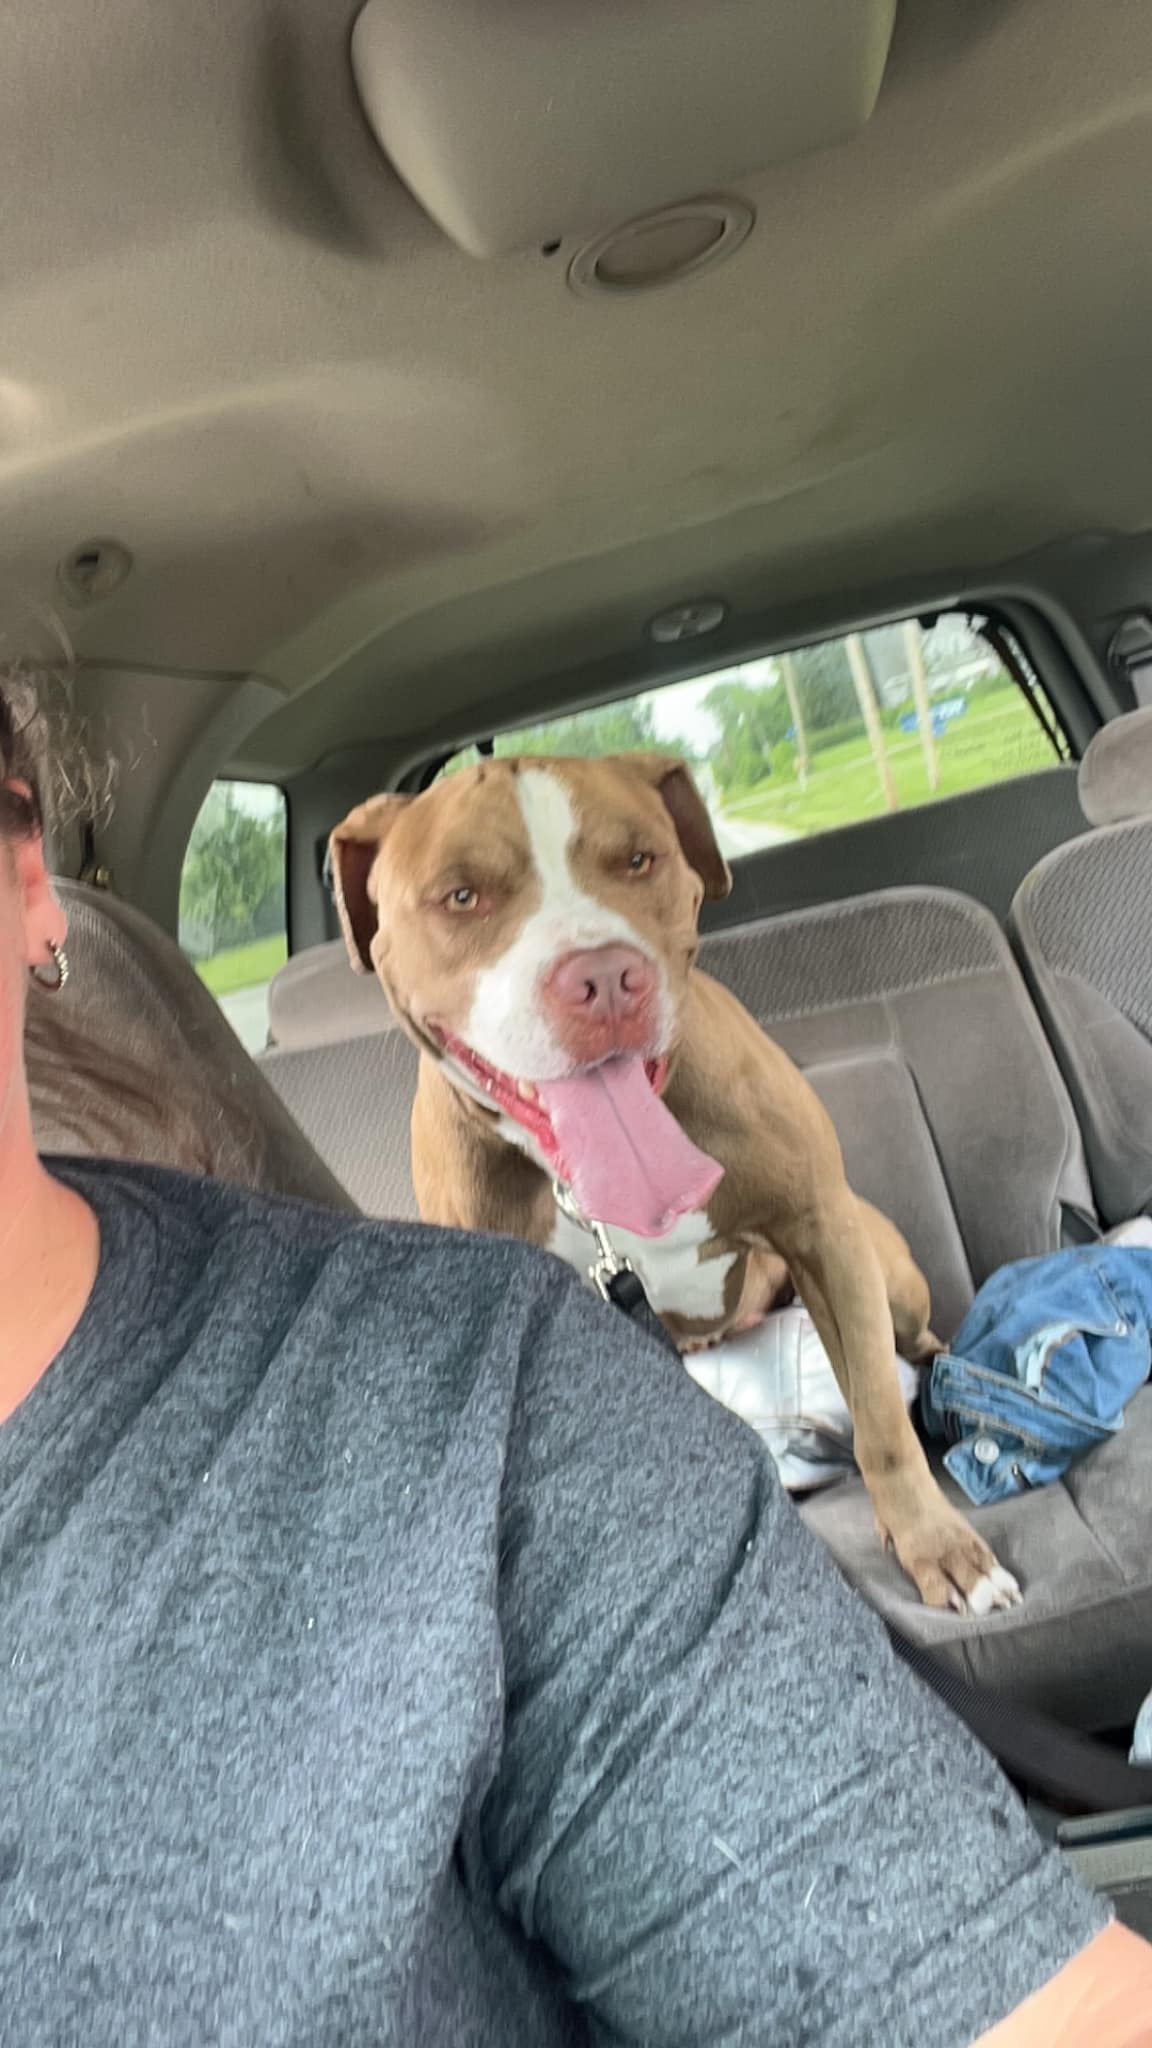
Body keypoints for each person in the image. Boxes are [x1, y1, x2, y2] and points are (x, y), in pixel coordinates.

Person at [1, 669, 1150, 2047]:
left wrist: (905, 1491)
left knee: (884, 1278)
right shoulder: (433, 1288)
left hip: (771, 1289)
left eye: (633, 868)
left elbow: (825, 1238)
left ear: (694, 871)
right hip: (649, 1362)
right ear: (368, 918)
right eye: (467, 898)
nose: (590, 953)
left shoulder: (718, 1090)